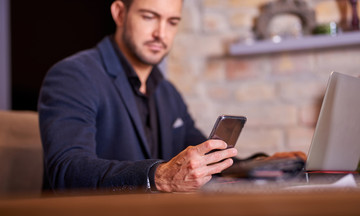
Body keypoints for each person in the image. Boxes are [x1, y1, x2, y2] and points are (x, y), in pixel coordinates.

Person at [38, 0, 305, 193]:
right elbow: (67, 171)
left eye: (172, 22)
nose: (161, 34)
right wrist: (159, 176)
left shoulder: (167, 91)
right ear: (120, 13)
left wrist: (259, 164)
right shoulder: (73, 75)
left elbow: (201, 156)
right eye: (149, 17)